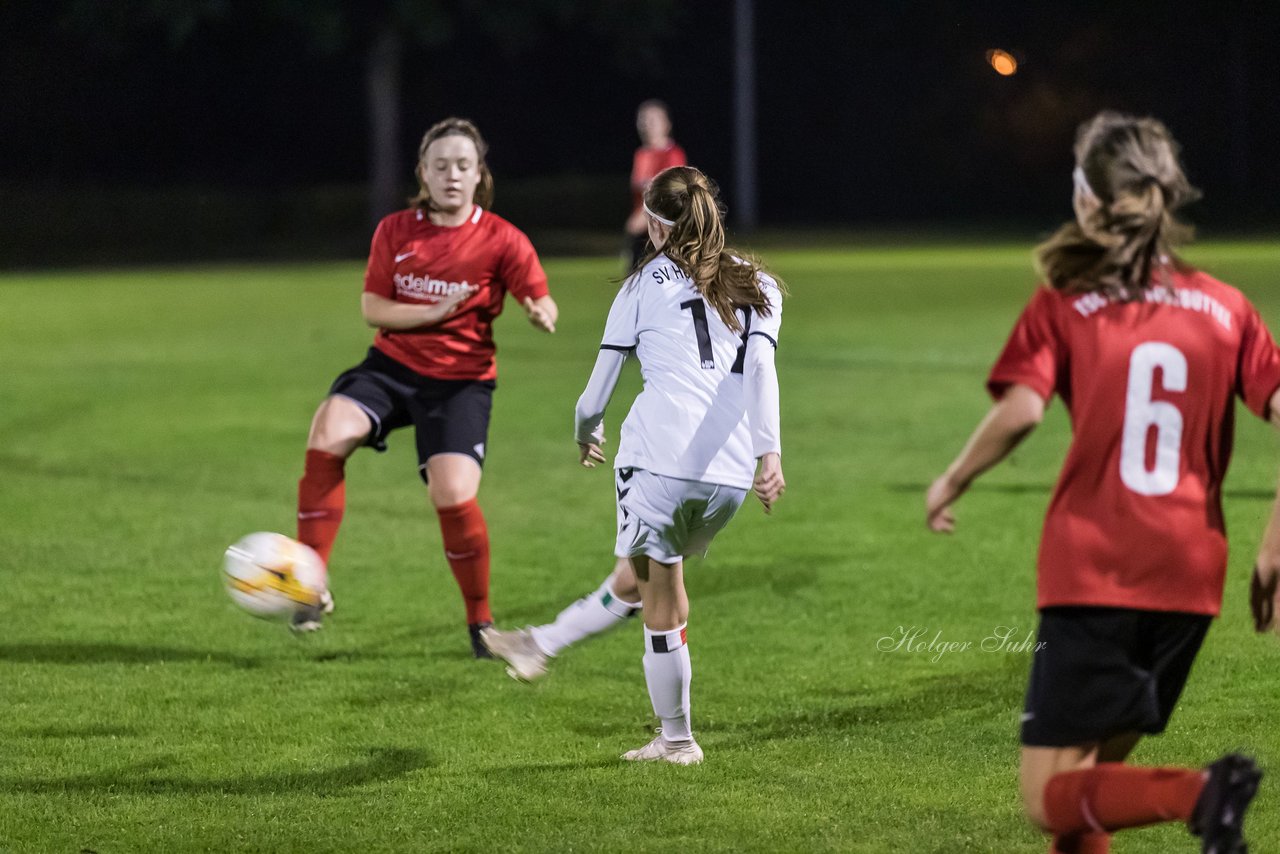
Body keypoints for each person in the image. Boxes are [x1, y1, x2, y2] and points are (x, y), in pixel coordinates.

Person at [925, 111, 1273, 853]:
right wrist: (1274, 539)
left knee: (1049, 797)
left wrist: (952, 478)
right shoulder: (1229, 308)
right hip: (1190, 577)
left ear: (1088, 198)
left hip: (1096, 569)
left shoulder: (1065, 299)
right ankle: (1196, 796)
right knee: (1090, 795)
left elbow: (1021, 411)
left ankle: (1201, 792)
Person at [489, 166, 786, 765]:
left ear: (654, 223)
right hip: (728, 475)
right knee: (641, 579)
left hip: (657, 462)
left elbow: (593, 395)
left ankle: (677, 740)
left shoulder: (641, 286)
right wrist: (769, 454)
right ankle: (537, 643)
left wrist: (586, 433)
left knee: (661, 593)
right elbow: (761, 372)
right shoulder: (760, 283)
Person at [293, 117, 558, 657]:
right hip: (392, 366)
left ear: (479, 173)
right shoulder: (395, 230)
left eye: (463, 166)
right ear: (423, 173)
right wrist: (431, 310)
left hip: (460, 382)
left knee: (453, 494)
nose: (452, 175)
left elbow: (541, 296)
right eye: (440, 166)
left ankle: (481, 626)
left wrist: (539, 310)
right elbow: (372, 309)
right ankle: (308, 584)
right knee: (329, 428)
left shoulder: (503, 239)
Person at [623, 100, 687, 271]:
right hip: (641, 232)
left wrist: (645, 218)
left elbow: (669, 194)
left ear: (666, 125)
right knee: (634, 281)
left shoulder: (672, 154)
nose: (646, 125)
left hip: (662, 230)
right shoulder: (641, 154)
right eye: (642, 120)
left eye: (652, 121)